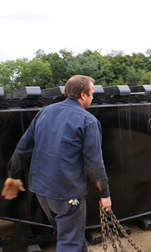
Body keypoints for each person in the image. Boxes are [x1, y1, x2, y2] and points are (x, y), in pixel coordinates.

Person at [1, 75, 112, 251]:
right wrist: (104, 194)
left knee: (70, 235)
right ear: (83, 95)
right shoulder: (88, 121)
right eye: (91, 94)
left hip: (42, 191)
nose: (92, 98)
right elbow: (95, 163)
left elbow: (22, 149)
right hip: (66, 193)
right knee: (70, 242)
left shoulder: (44, 113)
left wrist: (12, 176)